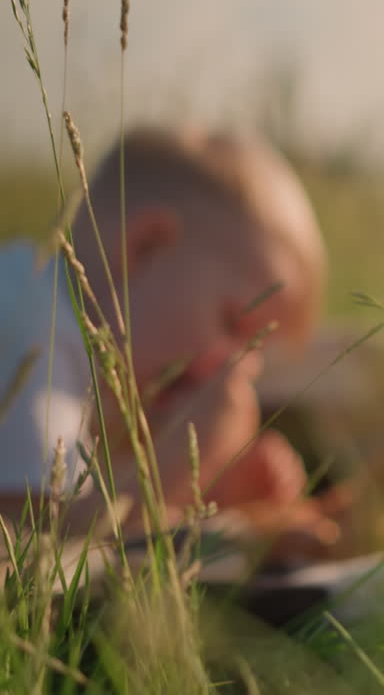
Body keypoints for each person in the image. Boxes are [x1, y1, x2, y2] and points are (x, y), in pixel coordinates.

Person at [0, 125, 326, 538]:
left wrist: (209, 486)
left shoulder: (52, 312)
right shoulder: (34, 331)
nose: (236, 368)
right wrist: (169, 470)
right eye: (233, 323)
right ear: (143, 248)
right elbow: (40, 538)